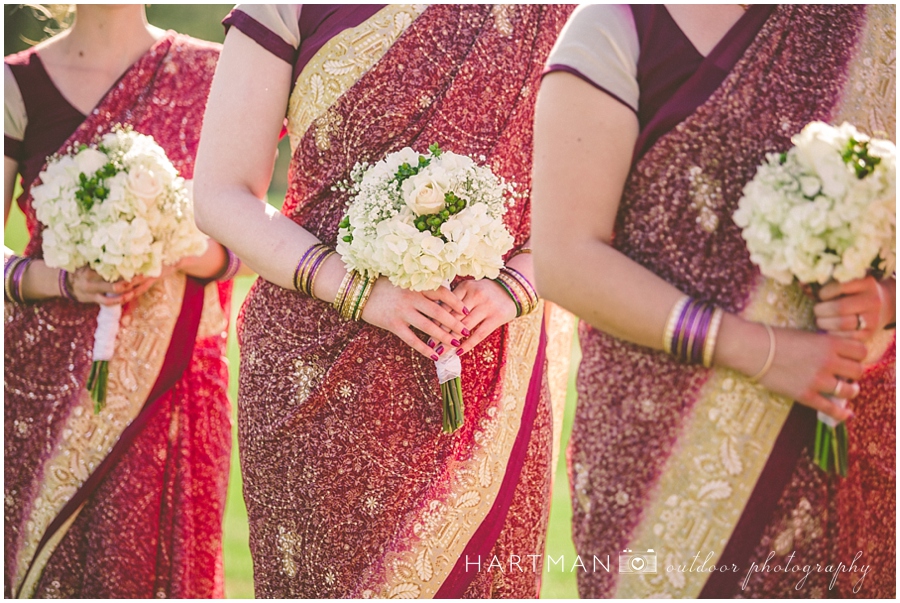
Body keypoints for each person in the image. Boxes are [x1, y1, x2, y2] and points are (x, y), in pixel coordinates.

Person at [194, 4, 573, 598]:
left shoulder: (559, 13)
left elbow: (596, 196)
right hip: (316, 376)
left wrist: (514, 286)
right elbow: (219, 194)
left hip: (489, 363)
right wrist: (361, 291)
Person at [532, 4, 895, 598]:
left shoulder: (870, 27)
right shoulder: (617, 25)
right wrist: (764, 352)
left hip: (853, 421)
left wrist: (882, 300)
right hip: (659, 442)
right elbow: (566, 259)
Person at [4, 5, 235, 598]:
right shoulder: (16, 82)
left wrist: (165, 237)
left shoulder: (213, 71)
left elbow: (235, 246)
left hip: (174, 386)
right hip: (45, 386)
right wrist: (62, 281)